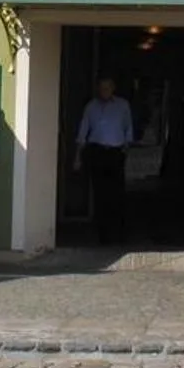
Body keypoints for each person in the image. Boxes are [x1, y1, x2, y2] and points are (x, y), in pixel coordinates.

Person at [73, 77, 133, 244]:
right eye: (102, 88)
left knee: (117, 193)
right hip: (97, 151)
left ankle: (119, 232)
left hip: (116, 152)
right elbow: (83, 131)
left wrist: (126, 148)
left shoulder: (122, 105)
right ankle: (103, 234)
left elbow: (128, 128)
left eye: (107, 87)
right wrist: (78, 156)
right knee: (100, 194)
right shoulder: (91, 107)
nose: (104, 91)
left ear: (113, 88)